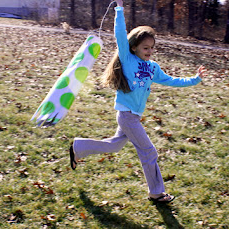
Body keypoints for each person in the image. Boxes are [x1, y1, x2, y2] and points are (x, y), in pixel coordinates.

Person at [69, 0, 207, 203]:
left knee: (114, 146)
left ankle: (78, 147)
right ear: (134, 47)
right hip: (127, 115)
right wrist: (119, 10)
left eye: (152, 48)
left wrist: (195, 79)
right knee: (149, 151)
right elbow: (119, 34)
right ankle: (156, 192)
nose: (149, 51)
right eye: (145, 47)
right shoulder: (128, 58)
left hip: (133, 115)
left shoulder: (152, 68)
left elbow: (172, 80)